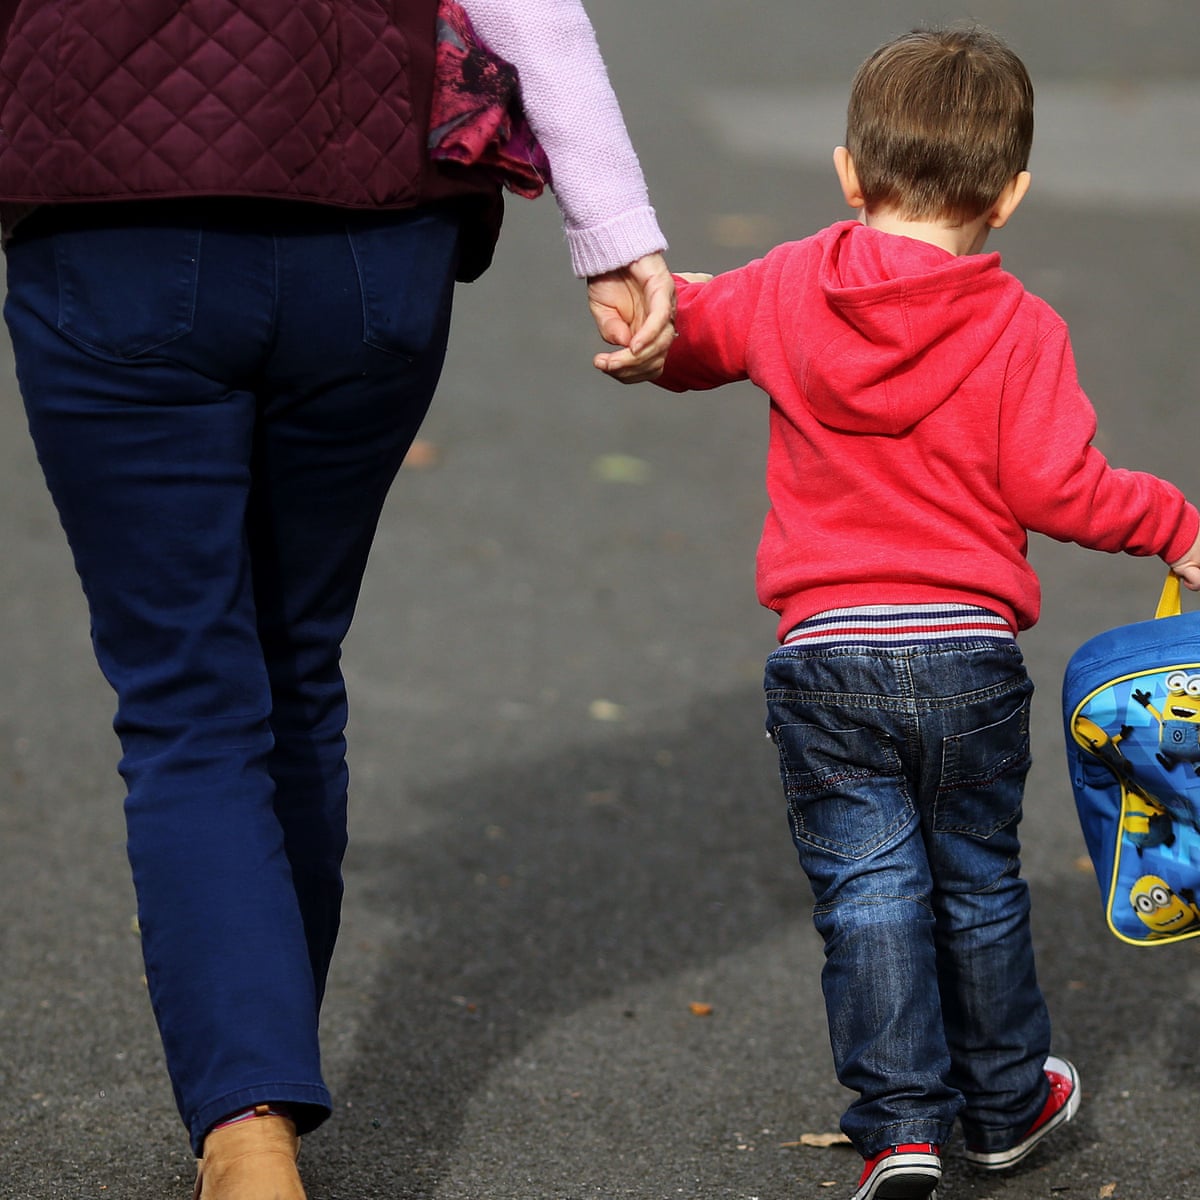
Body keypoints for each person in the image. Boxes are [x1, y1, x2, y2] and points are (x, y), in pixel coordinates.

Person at [0, 0, 672, 1196]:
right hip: (373, 225)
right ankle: (257, 1103)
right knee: (294, 665)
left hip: (115, 220)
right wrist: (612, 225)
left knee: (189, 696)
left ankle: (246, 1127)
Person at [649, 25, 1200, 1200]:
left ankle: (899, 1128)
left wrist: (652, 316)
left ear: (849, 174)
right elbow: (1060, 488)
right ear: (1011, 196)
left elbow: (692, 336)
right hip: (966, 655)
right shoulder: (1020, 326)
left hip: (828, 656)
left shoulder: (790, 282)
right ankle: (1002, 1105)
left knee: (869, 897)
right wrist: (1175, 524)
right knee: (979, 884)